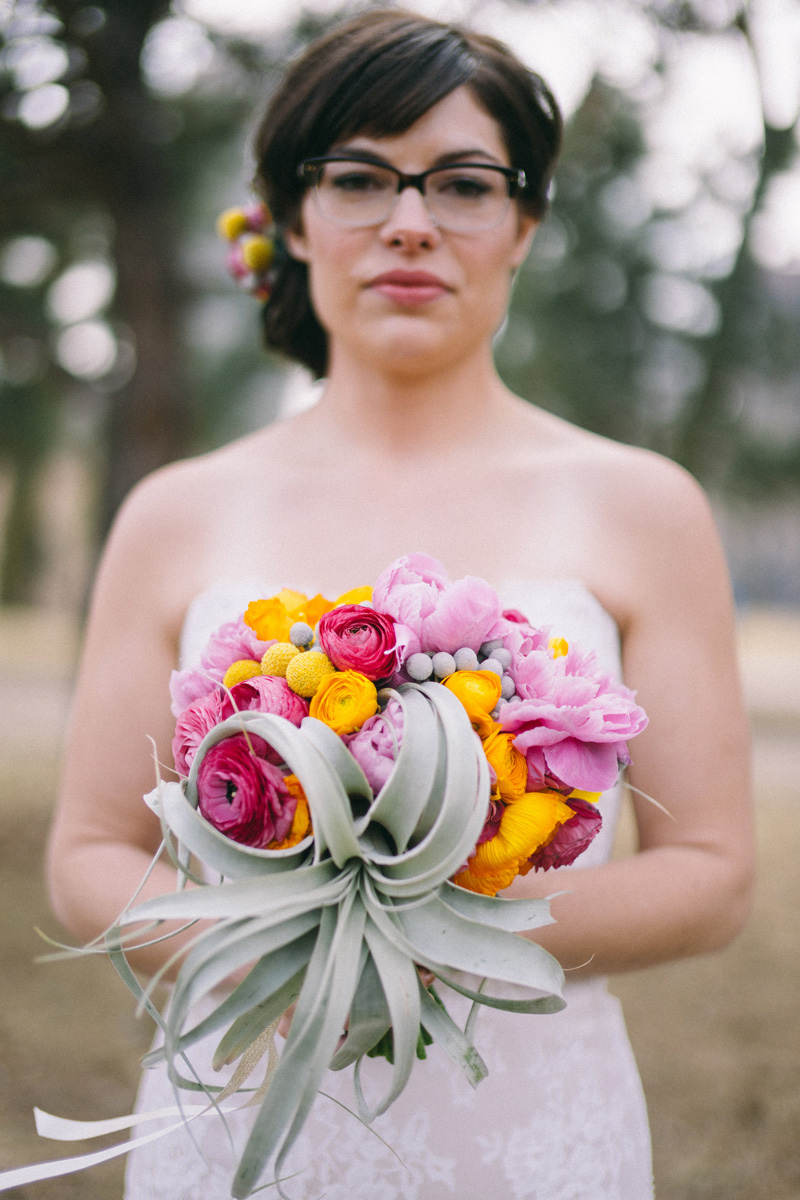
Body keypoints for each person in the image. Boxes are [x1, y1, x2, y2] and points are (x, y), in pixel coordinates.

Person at [46, 10, 754, 1199]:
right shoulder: (176, 512)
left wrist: (434, 943)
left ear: (523, 223)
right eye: (360, 178)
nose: (410, 222)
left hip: (531, 1129)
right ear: (288, 217)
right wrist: (291, 944)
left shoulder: (645, 507)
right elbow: (88, 850)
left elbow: (712, 871)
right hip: (241, 1107)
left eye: (464, 184)